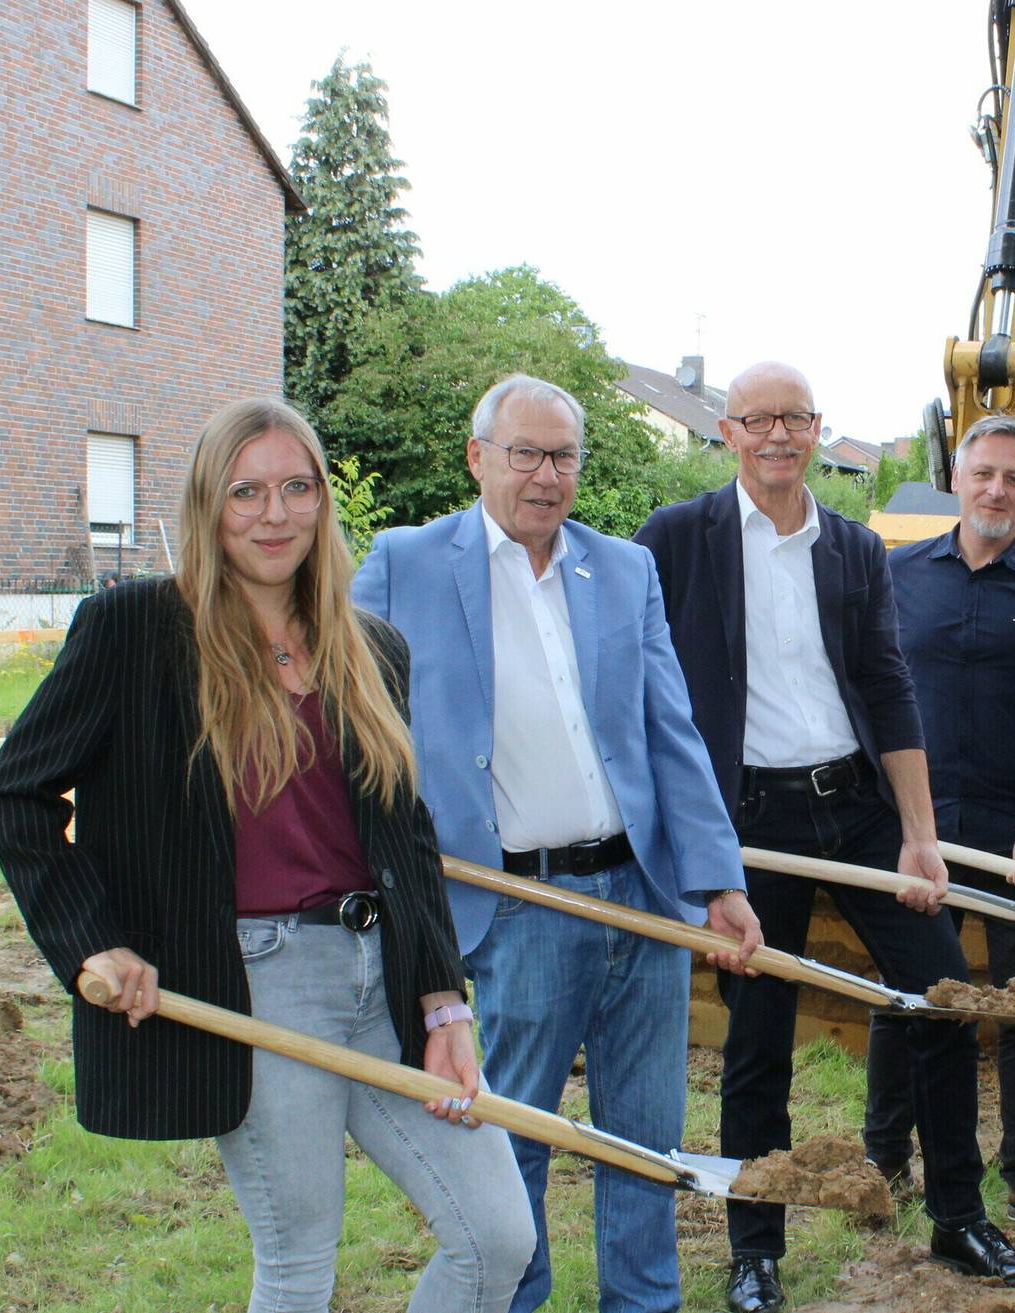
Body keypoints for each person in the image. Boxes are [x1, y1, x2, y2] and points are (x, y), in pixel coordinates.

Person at [0, 398, 534, 1312]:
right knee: (299, 1259)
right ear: (208, 504)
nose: (274, 515)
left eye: (296, 488)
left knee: (497, 1240)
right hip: (253, 984)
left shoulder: (371, 649)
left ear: (322, 501)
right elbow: (18, 795)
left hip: (382, 979)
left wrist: (445, 1007)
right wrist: (93, 944)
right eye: (246, 492)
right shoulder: (137, 631)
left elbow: (404, 831)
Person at [635, 362, 1015, 1311]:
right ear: (728, 433)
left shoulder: (855, 549)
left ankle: (958, 1216)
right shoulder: (676, 541)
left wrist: (919, 835)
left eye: (794, 418)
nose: (777, 434)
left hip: (853, 807)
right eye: (757, 419)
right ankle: (755, 1250)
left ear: (816, 430)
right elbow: (640, 681)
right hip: (748, 823)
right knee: (759, 1043)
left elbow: (889, 689)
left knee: (940, 996)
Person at [353, 375, 762, 1313]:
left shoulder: (622, 569)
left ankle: (642, 1301)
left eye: (563, 455)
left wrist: (718, 880)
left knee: (645, 1138)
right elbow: (350, 726)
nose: (546, 475)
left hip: (641, 893)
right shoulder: (404, 563)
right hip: (520, 905)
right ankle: (515, 1297)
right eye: (525, 453)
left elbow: (672, 733)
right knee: (518, 1136)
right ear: (478, 456)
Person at [861, 415, 1015, 1225]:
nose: (996, 489)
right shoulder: (895, 576)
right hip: (917, 826)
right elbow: (865, 697)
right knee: (910, 994)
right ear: (956, 478)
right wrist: (891, 818)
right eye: (983, 473)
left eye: (1013, 478)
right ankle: (885, 1157)